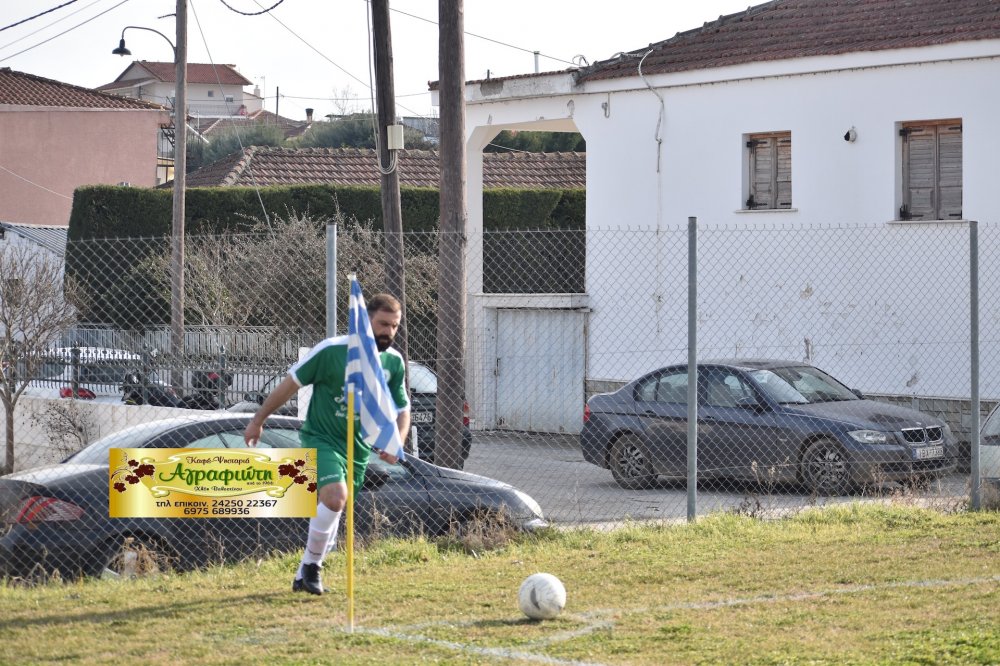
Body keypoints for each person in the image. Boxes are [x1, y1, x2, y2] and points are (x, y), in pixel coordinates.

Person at [243, 293, 410, 595]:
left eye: (395, 326)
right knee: (335, 497)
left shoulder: (393, 361)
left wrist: (397, 441)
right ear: (365, 321)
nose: (390, 332)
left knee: (336, 508)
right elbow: (290, 383)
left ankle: (303, 573)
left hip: (358, 449)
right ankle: (313, 567)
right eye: (383, 324)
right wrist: (258, 419)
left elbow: (402, 409)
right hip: (321, 438)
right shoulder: (332, 351)